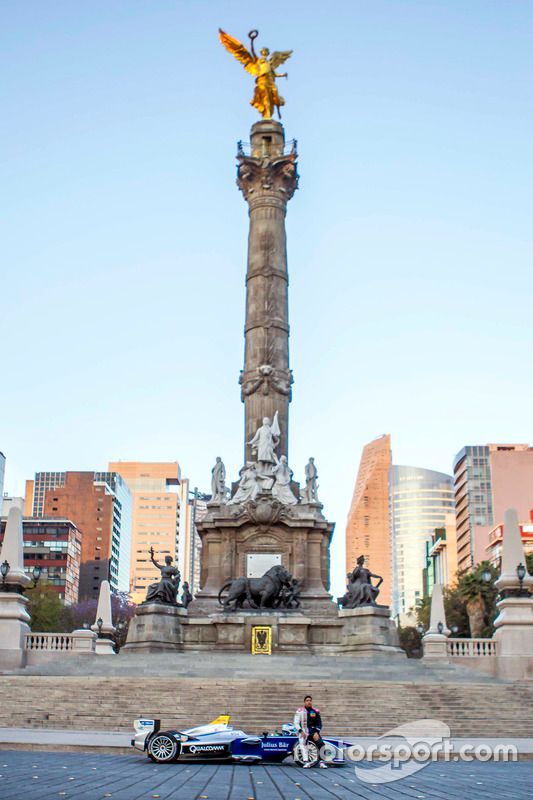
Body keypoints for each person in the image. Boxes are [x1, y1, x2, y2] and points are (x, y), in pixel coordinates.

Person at [294, 695, 328, 768]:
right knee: (303, 744)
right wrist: (301, 731)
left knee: (322, 744)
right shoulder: (299, 711)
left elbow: (319, 724)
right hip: (303, 732)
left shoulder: (316, 711)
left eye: (310, 700)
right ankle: (306, 762)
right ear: (304, 702)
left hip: (313, 732)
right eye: (307, 700)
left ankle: (322, 762)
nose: (309, 702)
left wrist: (316, 732)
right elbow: (296, 723)